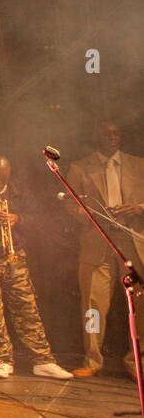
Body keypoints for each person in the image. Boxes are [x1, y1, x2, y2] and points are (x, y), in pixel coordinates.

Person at [0, 156, 73, 381]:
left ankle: (43, 360)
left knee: (27, 307)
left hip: (15, 256)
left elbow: (40, 219)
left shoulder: (20, 191)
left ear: (10, 170)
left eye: (2, 171)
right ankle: (1, 359)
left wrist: (17, 218)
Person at [66, 122, 144, 378]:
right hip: (97, 242)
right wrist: (91, 214)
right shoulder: (80, 167)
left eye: (116, 133)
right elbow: (69, 205)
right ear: (96, 137)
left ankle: (137, 361)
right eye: (106, 134)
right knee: (93, 306)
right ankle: (92, 359)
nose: (112, 138)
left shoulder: (138, 164)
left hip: (133, 243)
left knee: (141, 305)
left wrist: (139, 208)